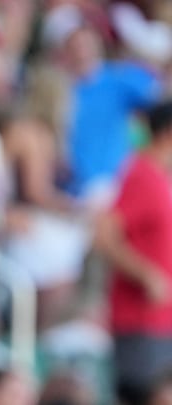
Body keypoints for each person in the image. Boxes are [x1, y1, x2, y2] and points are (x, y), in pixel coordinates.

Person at [94, 100, 172, 404]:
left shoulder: (158, 178)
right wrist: (147, 275)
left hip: (158, 322)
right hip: (140, 320)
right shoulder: (141, 175)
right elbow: (104, 233)